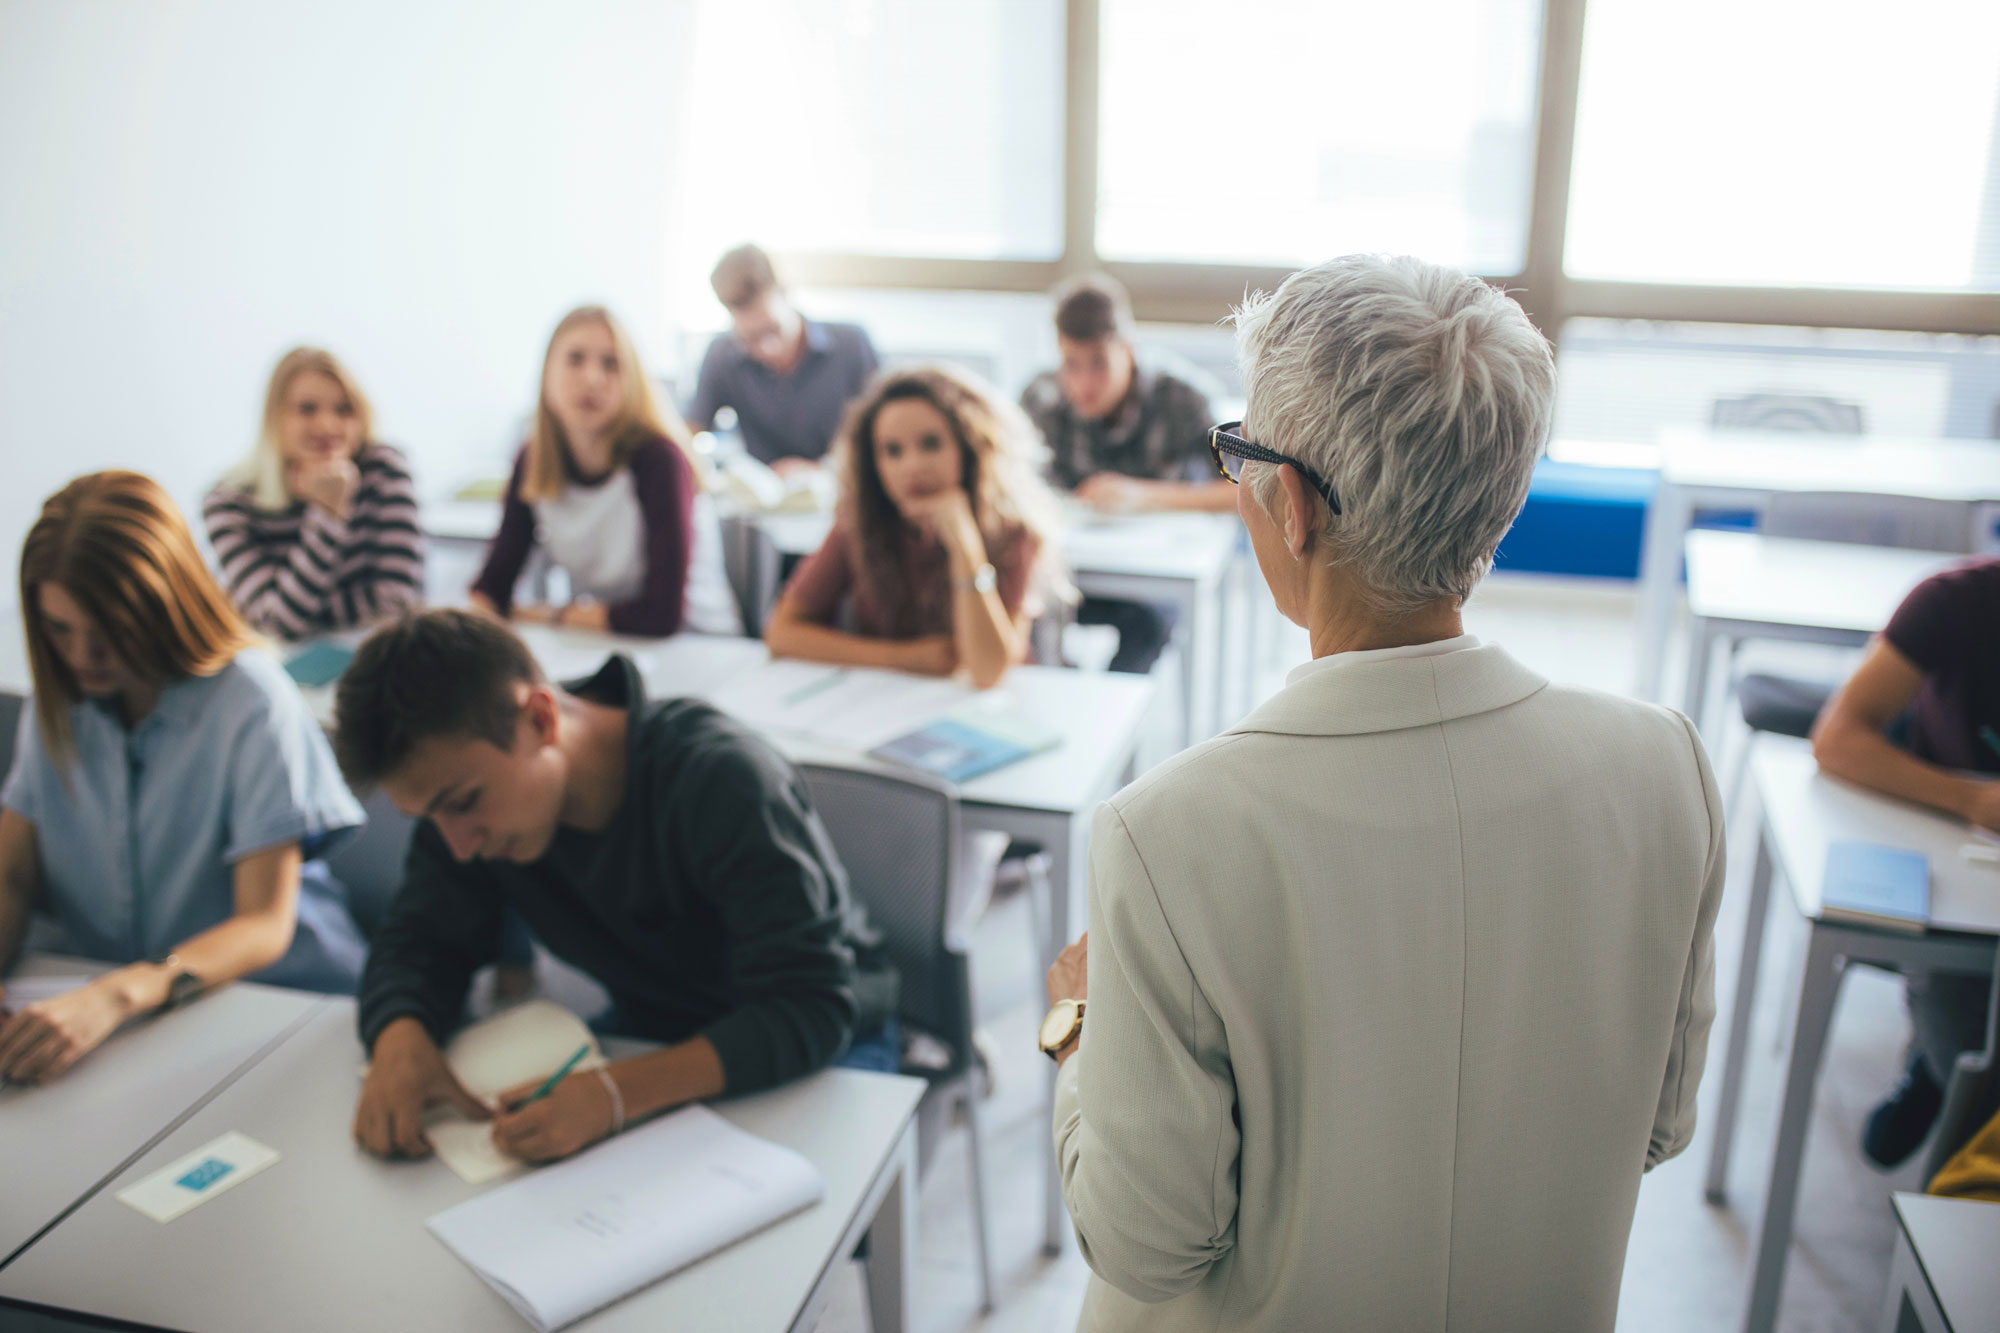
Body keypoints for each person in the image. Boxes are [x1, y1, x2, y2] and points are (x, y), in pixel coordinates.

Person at [1039, 255, 1725, 1332]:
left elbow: (1143, 1241)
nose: (1238, 482)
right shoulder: (1664, 767)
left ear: (1295, 506)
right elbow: (1653, 1129)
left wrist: (1081, 1028)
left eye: (1241, 453)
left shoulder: (1167, 830)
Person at [338, 609, 892, 1164]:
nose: (459, 844)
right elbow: (420, 940)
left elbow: (811, 1005)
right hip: (657, 1031)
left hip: (825, 1037)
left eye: (461, 805)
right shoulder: (469, 810)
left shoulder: (721, 779)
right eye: (430, 818)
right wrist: (399, 1035)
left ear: (540, 720)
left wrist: (615, 1095)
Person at [0, 472, 368, 1084]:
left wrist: (117, 995)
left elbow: (261, 926)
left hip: (279, 1005)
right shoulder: (56, 704)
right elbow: (10, 873)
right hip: (145, 1016)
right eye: (61, 630)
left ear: (163, 604)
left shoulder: (249, 699)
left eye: (108, 631)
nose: (84, 657)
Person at [1811, 556, 2000, 1168]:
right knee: (1965, 1039)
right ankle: (1941, 1076)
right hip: (1952, 853)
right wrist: (1973, 799)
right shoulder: (1955, 601)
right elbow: (1836, 738)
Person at [763, 365, 1065, 690]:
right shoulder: (859, 522)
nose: (912, 466)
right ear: (873, 462)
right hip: (889, 700)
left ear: (968, 446)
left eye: (931, 444)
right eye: (892, 451)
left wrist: (965, 545)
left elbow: (986, 671)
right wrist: (905, 658)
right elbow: (781, 633)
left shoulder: (1014, 531)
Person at [470, 305, 740, 637]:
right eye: (575, 359)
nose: (592, 378)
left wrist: (546, 615)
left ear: (632, 381)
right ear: (547, 373)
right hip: (606, 640)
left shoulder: (660, 461)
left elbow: (660, 617)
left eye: (611, 364)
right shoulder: (534, 458)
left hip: (697, 645)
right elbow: (493, 585)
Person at [1020, 274, 1228, 673]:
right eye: (1070, 365)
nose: (1082, 384)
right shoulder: (1041, 397)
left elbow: (1245, 492)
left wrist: (1142, 494)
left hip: (1152, 575)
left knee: (1148, 627)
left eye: (1098, 364)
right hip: (1066, 571)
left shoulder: (1181, 398)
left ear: (1128, 351)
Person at [204, 346, 425, 640]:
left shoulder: (384, 470)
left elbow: (398, 599)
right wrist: (327, 515)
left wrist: (304, 612)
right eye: (307, 409)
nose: (327, 425)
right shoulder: (227, 503)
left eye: (344, 409)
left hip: (378, 649)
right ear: (275, 416)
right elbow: (276, 624)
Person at [683, 244, 880, 475]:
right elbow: (689, 432)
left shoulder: (851, 344)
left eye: (772, 330)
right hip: (762, 500)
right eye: (751, 339)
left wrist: (820, 470)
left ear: (785, 292)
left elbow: (882, 431)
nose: (767, 349)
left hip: (842, 486)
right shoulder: (722, 355)